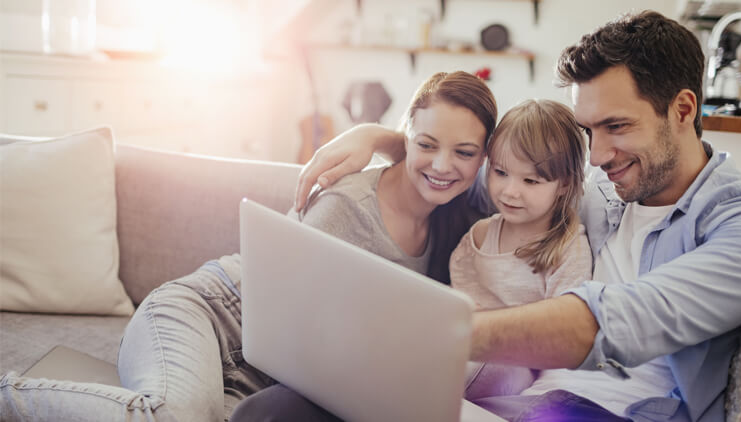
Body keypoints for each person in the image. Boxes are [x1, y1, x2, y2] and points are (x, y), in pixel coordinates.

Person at [291, 10, 741, 421]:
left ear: (682, 110)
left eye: (616, 126)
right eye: (588, 132)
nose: (599, 154)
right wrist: (383, 139)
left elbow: (619, 319)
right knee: (288, 409)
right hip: (524, 399)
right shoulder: (592, 193)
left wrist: (425, 331)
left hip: (618, 411)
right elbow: (471, 180)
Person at [0, 71, 497, 422]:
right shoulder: (347, 205)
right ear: (406, 136)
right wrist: (381, 137)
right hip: (206, 314)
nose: (442, 164)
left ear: (483, 160)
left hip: (259, 371)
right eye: (426, 144)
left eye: (464, 152)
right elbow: (293, 326)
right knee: (173, 418)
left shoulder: (461, 218)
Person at [451, 99, 592, 400]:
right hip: (464, 352)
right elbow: (458, 300)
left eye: (530, 180)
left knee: (497, 369)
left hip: (519, 370)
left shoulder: (568, 248)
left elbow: (566, 333)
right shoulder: (481, 235)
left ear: (565, 184)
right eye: (500, 172)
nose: (510, 191)